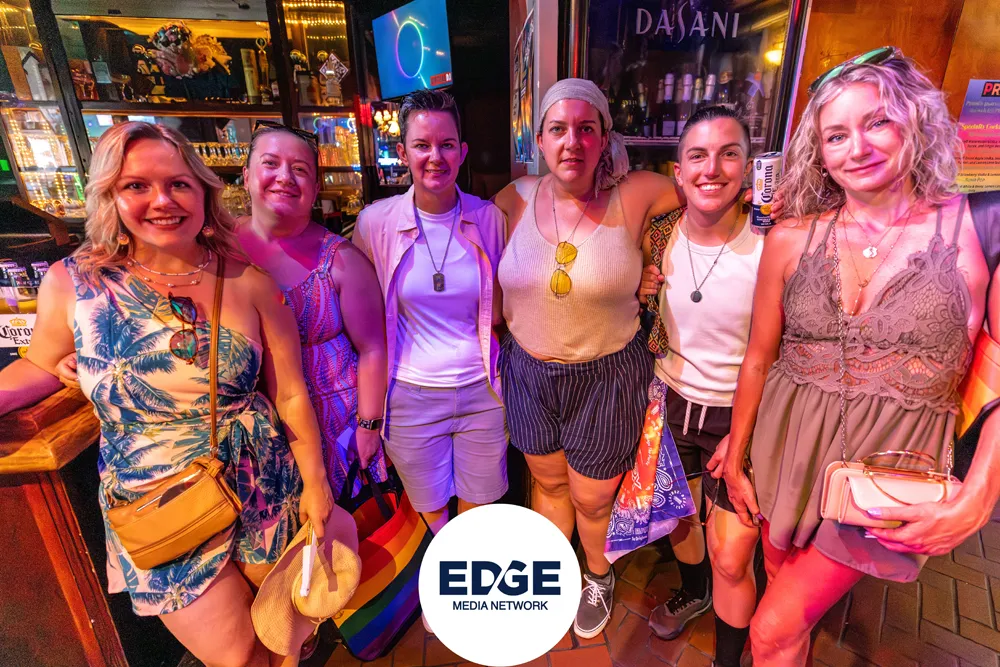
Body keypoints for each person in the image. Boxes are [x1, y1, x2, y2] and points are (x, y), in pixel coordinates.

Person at [0, 121, 333, 667]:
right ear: (110, 195)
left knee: (285, 637)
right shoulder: (75, 282)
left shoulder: (249, 282)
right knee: (236, 654)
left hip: (263, 483)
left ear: (203, 191)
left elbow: (291, 394)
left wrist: (316, 487)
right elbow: (37, 365)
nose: (162, 201)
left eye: (179, 183)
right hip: (157, 498)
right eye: (136, 186)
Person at [721, 49, 1000, 665]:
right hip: (785, 447)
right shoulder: (792, 236)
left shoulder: (980, 226)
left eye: (877, 122)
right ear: (818, 151)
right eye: (836, 135)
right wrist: (737, 456)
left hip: (890, 465)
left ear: (914, 121)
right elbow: (759, 358)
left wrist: (980, 496)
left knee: (770, 630)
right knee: (783, 603)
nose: (858, 148)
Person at [493, 78, 684, 639]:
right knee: (549, 486)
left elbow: (710, 188)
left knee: (594, 498)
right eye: (558, 129)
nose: (572, 141)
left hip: (607, 374)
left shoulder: (637, 192)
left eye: (585, 129)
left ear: (604, 138)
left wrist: (657, 261)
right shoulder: (514, 198)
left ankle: (597, 575)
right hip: (529, 372)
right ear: (540, 139)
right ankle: (554, 572)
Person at [351, 89, 508, 542]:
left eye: (446, 144)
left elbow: (502, 306)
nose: (435, 156)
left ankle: (465, 578)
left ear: (462, 151)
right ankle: (448, 573)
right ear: (403, 153)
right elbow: (363, 322)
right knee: (432, 514)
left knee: (478, 516)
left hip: (483, 392)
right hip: (409, 396)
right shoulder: (375, 223)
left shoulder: (489, 218)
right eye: (422, 145)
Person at [636, 105, 762, 667]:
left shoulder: (773, 240)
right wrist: (643, 289)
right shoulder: (660, 235)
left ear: (747, 167)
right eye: (698, 156)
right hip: (670, 399)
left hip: (741, 412)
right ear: (679, 172)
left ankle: (727, 659)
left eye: (728, 154)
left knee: (732, 554)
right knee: (679, 519)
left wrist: (746, 433)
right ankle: (694, 590)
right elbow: (646, 306)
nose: (712, 168)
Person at [236, 121, 388, 498]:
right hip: (245, 436)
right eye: (271, 163)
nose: (285, 177)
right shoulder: (216, 250)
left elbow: (373, 348)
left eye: (300, 169)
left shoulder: (342, 260)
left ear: (316, 189)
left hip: (333, 427)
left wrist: (369, 426)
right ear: (246, 175)